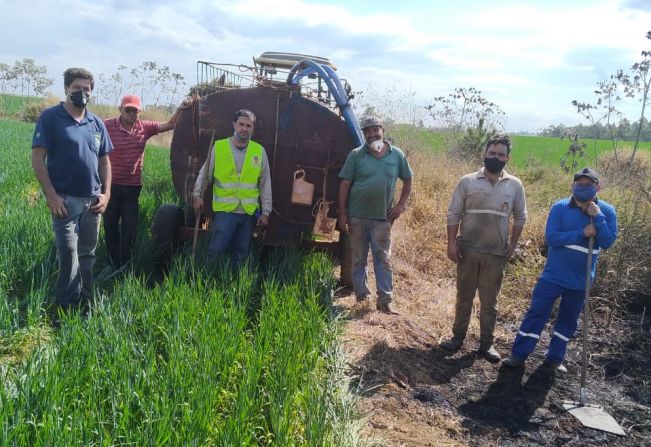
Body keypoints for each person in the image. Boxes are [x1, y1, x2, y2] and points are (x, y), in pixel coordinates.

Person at [503, 168, 617, 373]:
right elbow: (552, 238)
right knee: (536, 313)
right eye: (579, 184)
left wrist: (598, 217)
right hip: (553, 276)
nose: (583, 188)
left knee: (568, 321)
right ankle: (519, 354)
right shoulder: (560, 207)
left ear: (598, 187)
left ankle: (555, 358)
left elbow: (608, 241)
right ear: (572, 186)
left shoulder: (607, 211)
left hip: (581, 281)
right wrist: (581, 233)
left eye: (588, 185)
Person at [31, 67, 113, 311]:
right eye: (76, 88)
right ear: (66, 89)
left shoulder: (96, 123)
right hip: (64, 201)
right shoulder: (51, 118)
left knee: (87, 253)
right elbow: (38, 158)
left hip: (93, 201)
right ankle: (66, 306)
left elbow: (104, 160)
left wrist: (107, 193)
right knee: (68, 253)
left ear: (91, 93)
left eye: (86, 89)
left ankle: (85, 300)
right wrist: (51, 195)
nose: (81, 92)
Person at [441, 134, 527, 362]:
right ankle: (457, 338)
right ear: (484, 154)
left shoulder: (515, 185)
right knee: (464, 298)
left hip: (496, 253)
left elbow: (520, 217)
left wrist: (513, 244)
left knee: (490, 302)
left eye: (501, 154)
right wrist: (451, 243)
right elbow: (453, 213)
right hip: (467, 250)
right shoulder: (467, 181)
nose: (496, 157)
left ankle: (486, 345)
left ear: (507, 158)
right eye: (492, 153)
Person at [103, 94, 191, 267]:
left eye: (135, 111)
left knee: (129, 228)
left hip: (132, 188)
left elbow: (170, 124)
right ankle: (112, 262)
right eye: (128, 109)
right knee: (110, 227)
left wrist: (181, 108)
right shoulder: (106, 125)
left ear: (139, 112)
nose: (131, 113)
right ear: (120, 109)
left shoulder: (144, 128)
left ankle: (126, 264)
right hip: (109, 186)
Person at [338, 114, 413, 314]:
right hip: (357, 217)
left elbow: (408, 180)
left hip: (382, 218)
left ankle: (385, 301)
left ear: (382, 130)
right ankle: (362, 297)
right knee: (358, 259)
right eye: (368, 131)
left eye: (375, 129)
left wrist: (400, 206)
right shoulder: (356, 155)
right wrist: (343, 214)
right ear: (364, 134)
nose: (372, 134)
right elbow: (344, 185)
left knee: (383, 259)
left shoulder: (396, 155)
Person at [191, 109, 271, 267]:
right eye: (241, 124)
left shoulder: (259, 152)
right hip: (225, 211)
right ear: (234, 125)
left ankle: (235, 284)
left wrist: (266, 211)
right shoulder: (219, 147)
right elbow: (205, 174)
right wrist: (197, 194)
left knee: (242, 252)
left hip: (248, 213)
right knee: (216, 249)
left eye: (248, 125)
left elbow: (265, 183)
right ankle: (207, 279)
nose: (244, 128)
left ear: (252, 128)